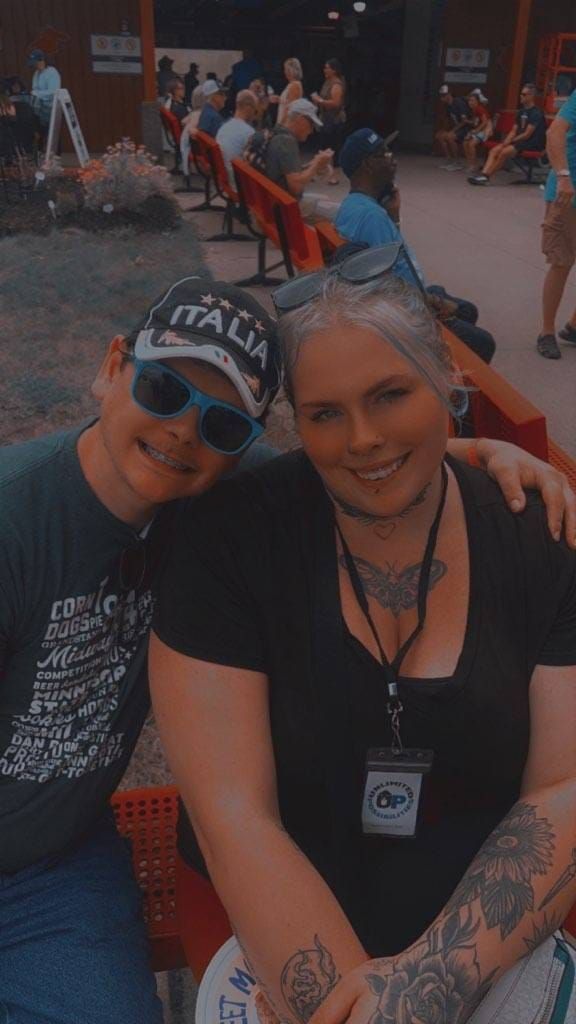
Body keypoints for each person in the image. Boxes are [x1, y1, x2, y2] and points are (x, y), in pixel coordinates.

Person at [150, 260, 576, 1021]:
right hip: (275, 930)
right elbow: (233, 813)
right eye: (325, 414)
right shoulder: (232, 540)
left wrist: (427, 986)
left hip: (480, 934)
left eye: (390, 395)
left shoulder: (540, 539)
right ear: (296, 423)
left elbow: (563, 789)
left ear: (446, 376)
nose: (364, 440)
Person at [0, 276, 282, 1024]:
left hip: (53, 866)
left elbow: (354, 471)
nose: (186, 429)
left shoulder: (215, 505)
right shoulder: (16, 525)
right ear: (111, 366)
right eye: (162, 388)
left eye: (223, 426)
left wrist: (477, 460)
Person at [334, 128, 496, 363]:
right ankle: (451, 387)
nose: (393, 159)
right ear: (369, 164)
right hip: (407, 312)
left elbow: (388, 258)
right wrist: (435, 305)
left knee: (467, 310)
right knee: (483, 342)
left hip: (408, 295)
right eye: (384, 154)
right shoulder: (371, 217)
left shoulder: (358, 206)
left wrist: (394, 217)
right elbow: (387, 288)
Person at [246, 97, 337, 223]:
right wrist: (316, 164)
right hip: (283, 209)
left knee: (325, 199)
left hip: (269, 203)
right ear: (300, 119)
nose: (311, 131)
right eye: (311, 124)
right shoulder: (286, 142)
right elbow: (296, 187)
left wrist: (313, 165)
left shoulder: (274, 134)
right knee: (343, 213)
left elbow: (284, 173)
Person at [536, 89, 576, 360]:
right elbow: (554, 133)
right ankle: (546, 332)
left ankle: (573, 327)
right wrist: (563, 176)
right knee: (561, 263)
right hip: (568, 194)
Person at [468, 83, 546, 185]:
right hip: (520, 142)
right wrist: (506, 141)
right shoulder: (521, 111)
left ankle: (487, 177)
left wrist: (511, 142)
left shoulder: (536, 113)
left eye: (524, 94)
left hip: (532, 143)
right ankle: (483, 175)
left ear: (531, 96)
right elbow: (514, 130)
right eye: (521, 94)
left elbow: (527, 134)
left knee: (504, 152)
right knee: (494, 150)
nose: (521, 96)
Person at [311, 57, 347, 185]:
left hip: (334, 121)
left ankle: (334, 176)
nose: (324, 70)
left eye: (327, 67)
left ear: (334, 70)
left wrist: (320, 101)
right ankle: (318, 171)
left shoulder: (336, 84)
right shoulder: (327, 81)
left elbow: (336, 103)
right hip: (325, 119)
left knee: (333, 148)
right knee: (323, 146)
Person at [216, 89, 258, 183]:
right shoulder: (248, 132)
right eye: (255, 111)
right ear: (248, 107)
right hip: (240, 184)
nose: (255, 116)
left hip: (226, 178)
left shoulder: (223, 127)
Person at [435, 84, 472, 170]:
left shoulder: (458, 102)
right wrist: (444, 130)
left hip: (467, 128)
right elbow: (449, 120)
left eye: (444, 95)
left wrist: (452, 131)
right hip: (458, 128)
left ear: (449, 94)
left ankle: (457, 162)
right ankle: (449, 159)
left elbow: (464, 121)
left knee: (450, 136)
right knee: (439, 135)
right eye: (441, 95)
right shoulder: (448, 105)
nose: (442, 97)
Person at [28, 49, 61, 135]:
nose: (34, 65)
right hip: (40, 109)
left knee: (52, 135)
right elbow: (34, 89)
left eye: (35, 63)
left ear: (42, 60)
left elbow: (54, 92)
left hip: (51, 109)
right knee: (41, 133)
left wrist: (37, 94)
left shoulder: (52, 72)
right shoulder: (36, 73)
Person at [462, 91, 493, 174]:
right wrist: (467, 121)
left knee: (471, 144)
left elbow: (485, 122)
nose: (470, 102)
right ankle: (471, 164)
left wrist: (475, 131)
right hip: (479, 130)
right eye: (469, 100)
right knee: (465, 142)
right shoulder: (474, 110)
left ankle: (473, 166)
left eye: (472, 100)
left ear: (477, 101)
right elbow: (475, 123)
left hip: (486, 130)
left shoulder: (480, 108)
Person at [269, 58, 304, 127]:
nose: (284, 72)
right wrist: (279, 99)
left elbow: (291, 108)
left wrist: (280, 124)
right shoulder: (291, 84)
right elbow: (288, 102)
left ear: (291, 70)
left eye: (286, 69)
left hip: (286, 124)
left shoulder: (295, 85)